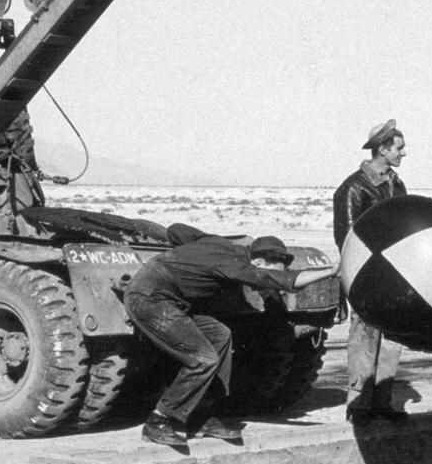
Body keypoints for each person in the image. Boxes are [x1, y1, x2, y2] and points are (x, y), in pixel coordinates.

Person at [125, 231, 337, 446]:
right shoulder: (234, 264)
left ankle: (202, 416)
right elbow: (278, 279)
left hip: (176, 301)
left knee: (220, 335)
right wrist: (330, 271)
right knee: (202, 359)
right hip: (150, 299)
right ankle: (159, 420)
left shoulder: (220, 244)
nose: (260, 287)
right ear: (259, 261)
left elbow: (176, 229)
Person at [332, 119, 409, 422]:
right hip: (368, 277)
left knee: (391, 339)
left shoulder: (396, 184)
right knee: (365, 337)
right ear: (382, 149)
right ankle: (359, 405)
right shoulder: (353, 188)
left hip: (397, 276)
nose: (404, 154)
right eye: (399, 148)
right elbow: (348, 241)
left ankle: (382, 403)